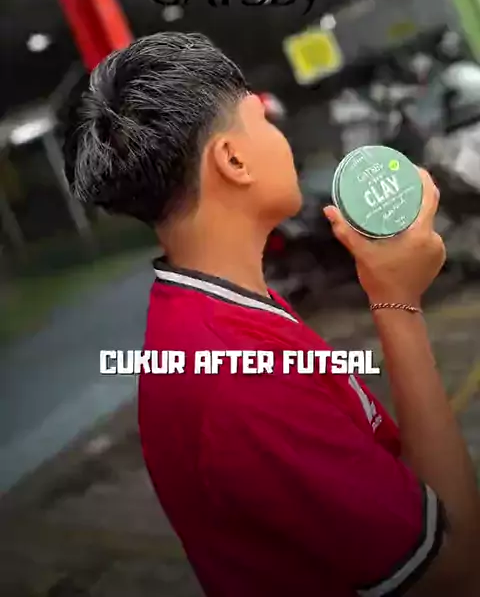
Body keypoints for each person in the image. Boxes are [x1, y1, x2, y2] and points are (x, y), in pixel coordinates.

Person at [62, 32, 480, 597]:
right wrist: (398, 305)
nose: (281, 138)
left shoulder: (212, 311)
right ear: (233, 159)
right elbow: (455, 573)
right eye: (261, 120)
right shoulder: (240, 382)